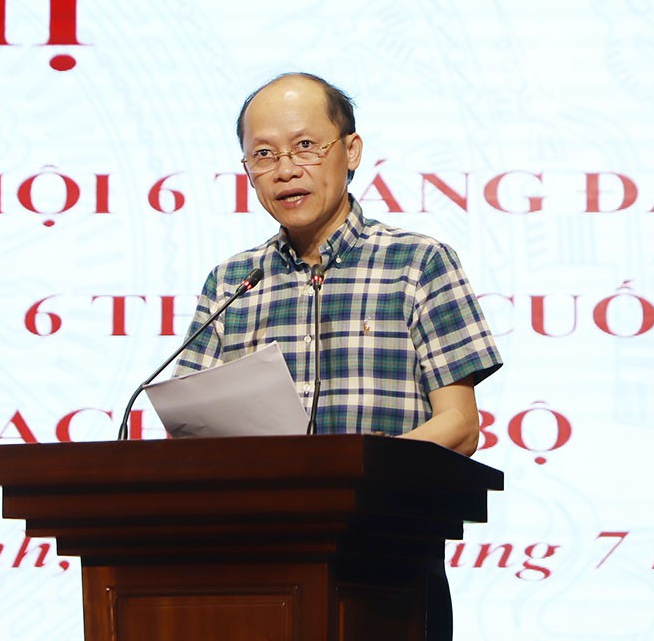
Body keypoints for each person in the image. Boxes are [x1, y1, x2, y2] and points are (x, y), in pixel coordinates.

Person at [173, 72, 503, 640]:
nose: (285, 169)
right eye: (263, 154)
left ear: (350, 151)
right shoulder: (233, 281)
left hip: (388, 564)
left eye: (305, 146)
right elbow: (190, 432)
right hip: (255, 571)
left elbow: (459, 425)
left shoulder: (418, 263)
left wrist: (360, 471)